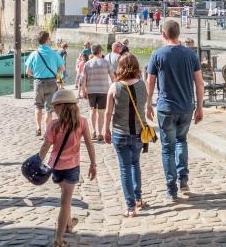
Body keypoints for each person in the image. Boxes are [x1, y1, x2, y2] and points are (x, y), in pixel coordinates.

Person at [146, 20, 205, 202]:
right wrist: (200, 106)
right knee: (182, 141)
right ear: (178, 33)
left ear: (163, 34)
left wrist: (148, 104)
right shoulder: (190, 55)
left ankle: (171, 189)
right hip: (186, 106)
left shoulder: (157, 55)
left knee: (167, 148)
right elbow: (199, 83)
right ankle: (183, 180)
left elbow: (150, 82)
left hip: (166, 108)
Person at [38, 89, 96, 247]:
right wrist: (93, 164)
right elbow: (90, 144)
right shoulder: (82, 122)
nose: (54, 109)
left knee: (65, 197)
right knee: (65, 202)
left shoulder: (53, 125)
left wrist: (38, 161)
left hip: (55, 168)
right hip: (71, 167)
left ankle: (69, 224)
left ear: (63, 106)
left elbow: (46, 146)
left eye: (55, 106)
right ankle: (58, 240)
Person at [103, 54, 149, 217]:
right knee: (135, 165)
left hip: (120, 133)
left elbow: (108, 112)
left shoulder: (115, 87)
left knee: (124, 169)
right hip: (138, 133)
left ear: (120, 67)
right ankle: (138, 199)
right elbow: (143, 105)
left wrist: (105, 129)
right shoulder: (143, 85)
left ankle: (130, 207)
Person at [26, 31, 65, 137]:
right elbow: (62, 68)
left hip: (38, 82)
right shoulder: (54, 53)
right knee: (49, 109)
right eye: (49, 39)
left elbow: (28, 72)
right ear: (47, 40)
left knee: (38, 106)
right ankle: (48, 131)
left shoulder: (34, 54)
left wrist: (37, 75)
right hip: (52, 82)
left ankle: (38, 128)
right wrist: (57, 75)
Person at [82, 44, 115, 140]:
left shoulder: (87, 64)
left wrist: (84, 90)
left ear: (92, 52)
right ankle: (100, 133)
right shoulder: (106, 62)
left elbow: (84, 79)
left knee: (92, 111)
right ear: (100, 51)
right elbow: (113, 77)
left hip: (91, 91)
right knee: (101, 112)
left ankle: (93, 132)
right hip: (104, 91)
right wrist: (115, 88)